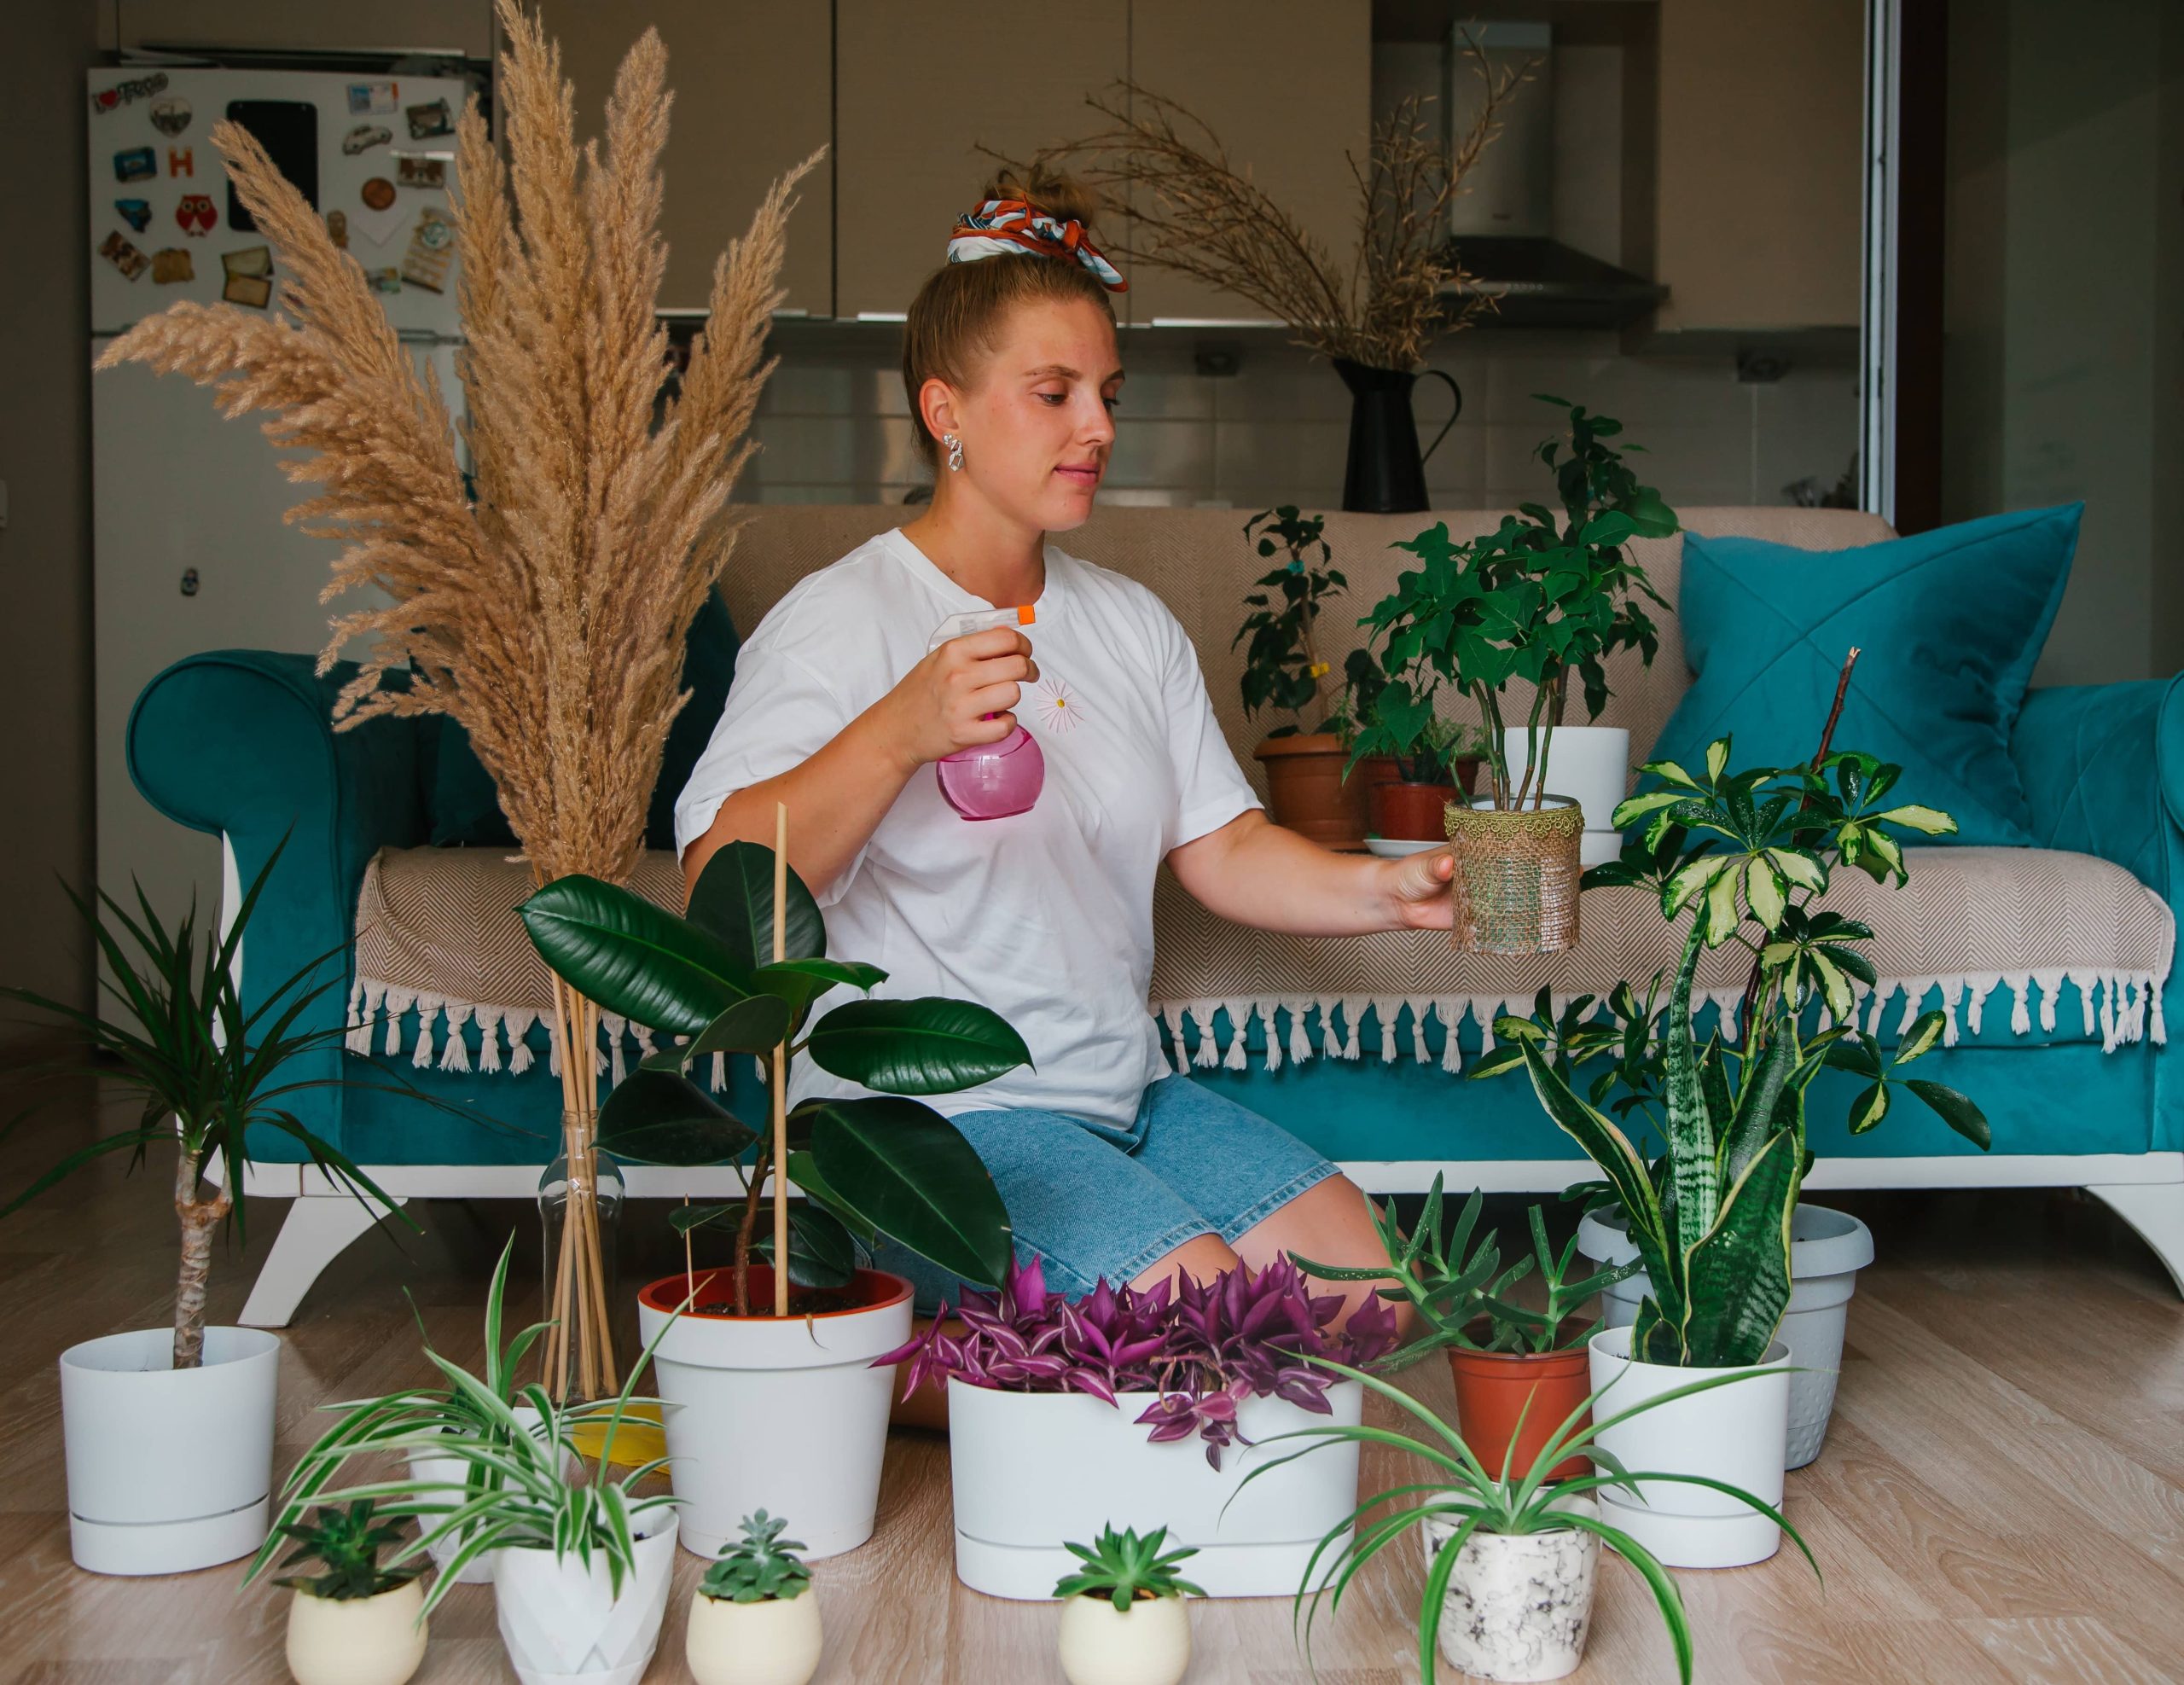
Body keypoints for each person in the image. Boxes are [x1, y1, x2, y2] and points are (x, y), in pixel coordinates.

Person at [675, 173, 1453, 1357]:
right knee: (1217, 1335)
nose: (1096, 427)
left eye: (1106, 395)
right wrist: (898, 731)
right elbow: (719, 897)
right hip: (935, 1129)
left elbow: (1224, 845)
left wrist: (1382, 891)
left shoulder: (1130, 623)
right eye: (1053, 394)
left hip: (1124, 1102)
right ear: (946, 411)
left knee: (1373, 1303)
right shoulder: (842, 621)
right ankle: (924, 1374)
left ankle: (976, 1373)